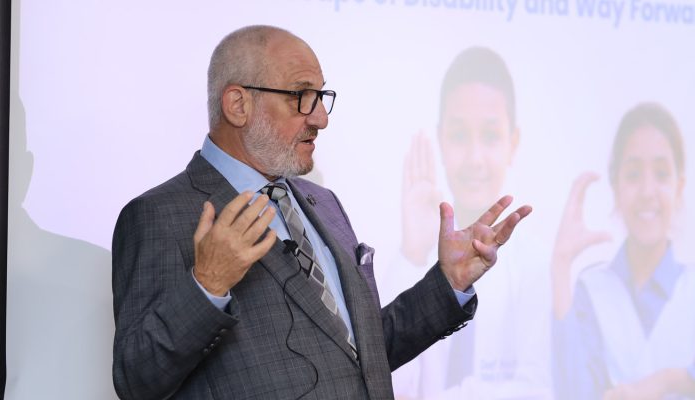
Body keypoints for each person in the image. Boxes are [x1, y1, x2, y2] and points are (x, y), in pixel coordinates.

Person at [111, 25, 531, 400]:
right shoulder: (158, 216)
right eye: (302, 97)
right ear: (237, 104)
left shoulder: (322, 204)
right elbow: (137, 381)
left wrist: (447, 284)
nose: (321, 118)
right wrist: (208, 285)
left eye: (322, 97)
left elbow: (360, 355)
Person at [550, 102, 695, 399]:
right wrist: (561, 266)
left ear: (679, 189)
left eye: (662, 174)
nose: (647, 191)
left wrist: (670, 381)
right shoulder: (592, 290)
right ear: (615, 188)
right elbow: (573, 393)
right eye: (632, 175)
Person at [380, 47, 551, 399]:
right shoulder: (410, 254)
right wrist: (413, 253)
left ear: (513, 143)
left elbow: (536, 388)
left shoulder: (533, 264)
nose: (475, 158)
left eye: (489, 136)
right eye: (459, 136)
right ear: (441, 140)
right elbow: (388, 384)